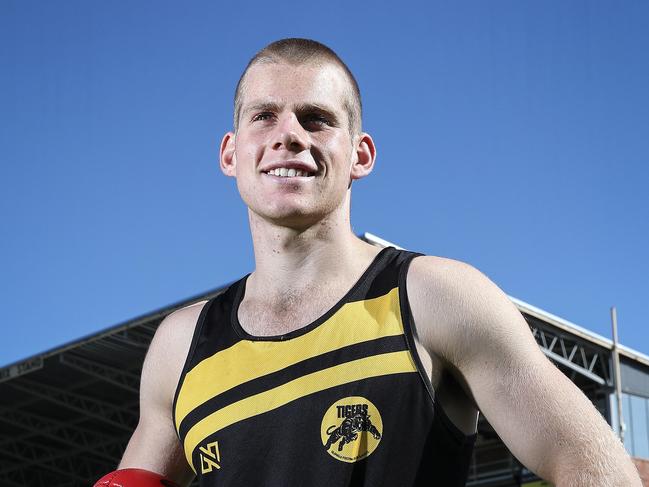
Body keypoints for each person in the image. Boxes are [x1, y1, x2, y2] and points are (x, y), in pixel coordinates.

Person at [94, 38, 642, 487]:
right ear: (231, 154)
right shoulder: (180, 346)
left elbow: (597, 472)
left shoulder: (435, 297)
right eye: (264, 116)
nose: (289, 135)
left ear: (360, 154)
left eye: (316, 119)